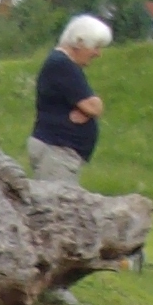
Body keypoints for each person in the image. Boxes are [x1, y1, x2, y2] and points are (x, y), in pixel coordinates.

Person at [31, 14, 112, 187]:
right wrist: (88, 110)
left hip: (59, 153)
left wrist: (86, 112)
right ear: (79, 42)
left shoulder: (64, 64)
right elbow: (94, 107)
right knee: (55, 202)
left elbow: (92, 106)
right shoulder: (62, 65)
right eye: (95, 47)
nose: (98, 53)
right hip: (56, 152)